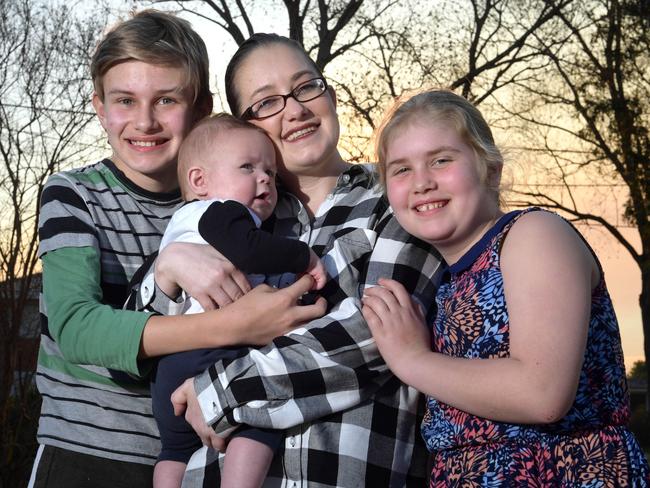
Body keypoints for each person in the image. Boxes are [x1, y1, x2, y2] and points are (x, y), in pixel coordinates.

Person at [29, 12, 324, 488]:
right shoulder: (74, 194)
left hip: (194, 449)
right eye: (125, 100)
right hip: (83, 451)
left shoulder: (247, 202)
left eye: (166, 99)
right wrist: (226, 320)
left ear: (202, 108)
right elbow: (76, 329)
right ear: (100, 108)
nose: (145, 120)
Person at [135, 33, 443, 487]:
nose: (295, 110)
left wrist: (220, 389)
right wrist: (169, 268)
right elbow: (133, 335)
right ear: (245, 130)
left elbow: (375, 338)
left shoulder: (395, 196)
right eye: (266, 103)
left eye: (306, 87)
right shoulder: (231, 214)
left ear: (330, 96)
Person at [363, 89, 650, 485]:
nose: (422, 182)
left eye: (441, 160)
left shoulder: (533, 234)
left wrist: (411, 359)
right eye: (401, 169)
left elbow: (542, 393)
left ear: (491, 170)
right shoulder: (445, 283)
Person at [152, 113, 327, 488]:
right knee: (262, 423)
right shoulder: (221, 213)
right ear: (200, 181)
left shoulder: (180, 225)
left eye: (271, 172)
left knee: (173, 452)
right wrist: (303, 257)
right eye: (247, 167)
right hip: (214, 353)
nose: (264, 177)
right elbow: (249, 251)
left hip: (170, 363)